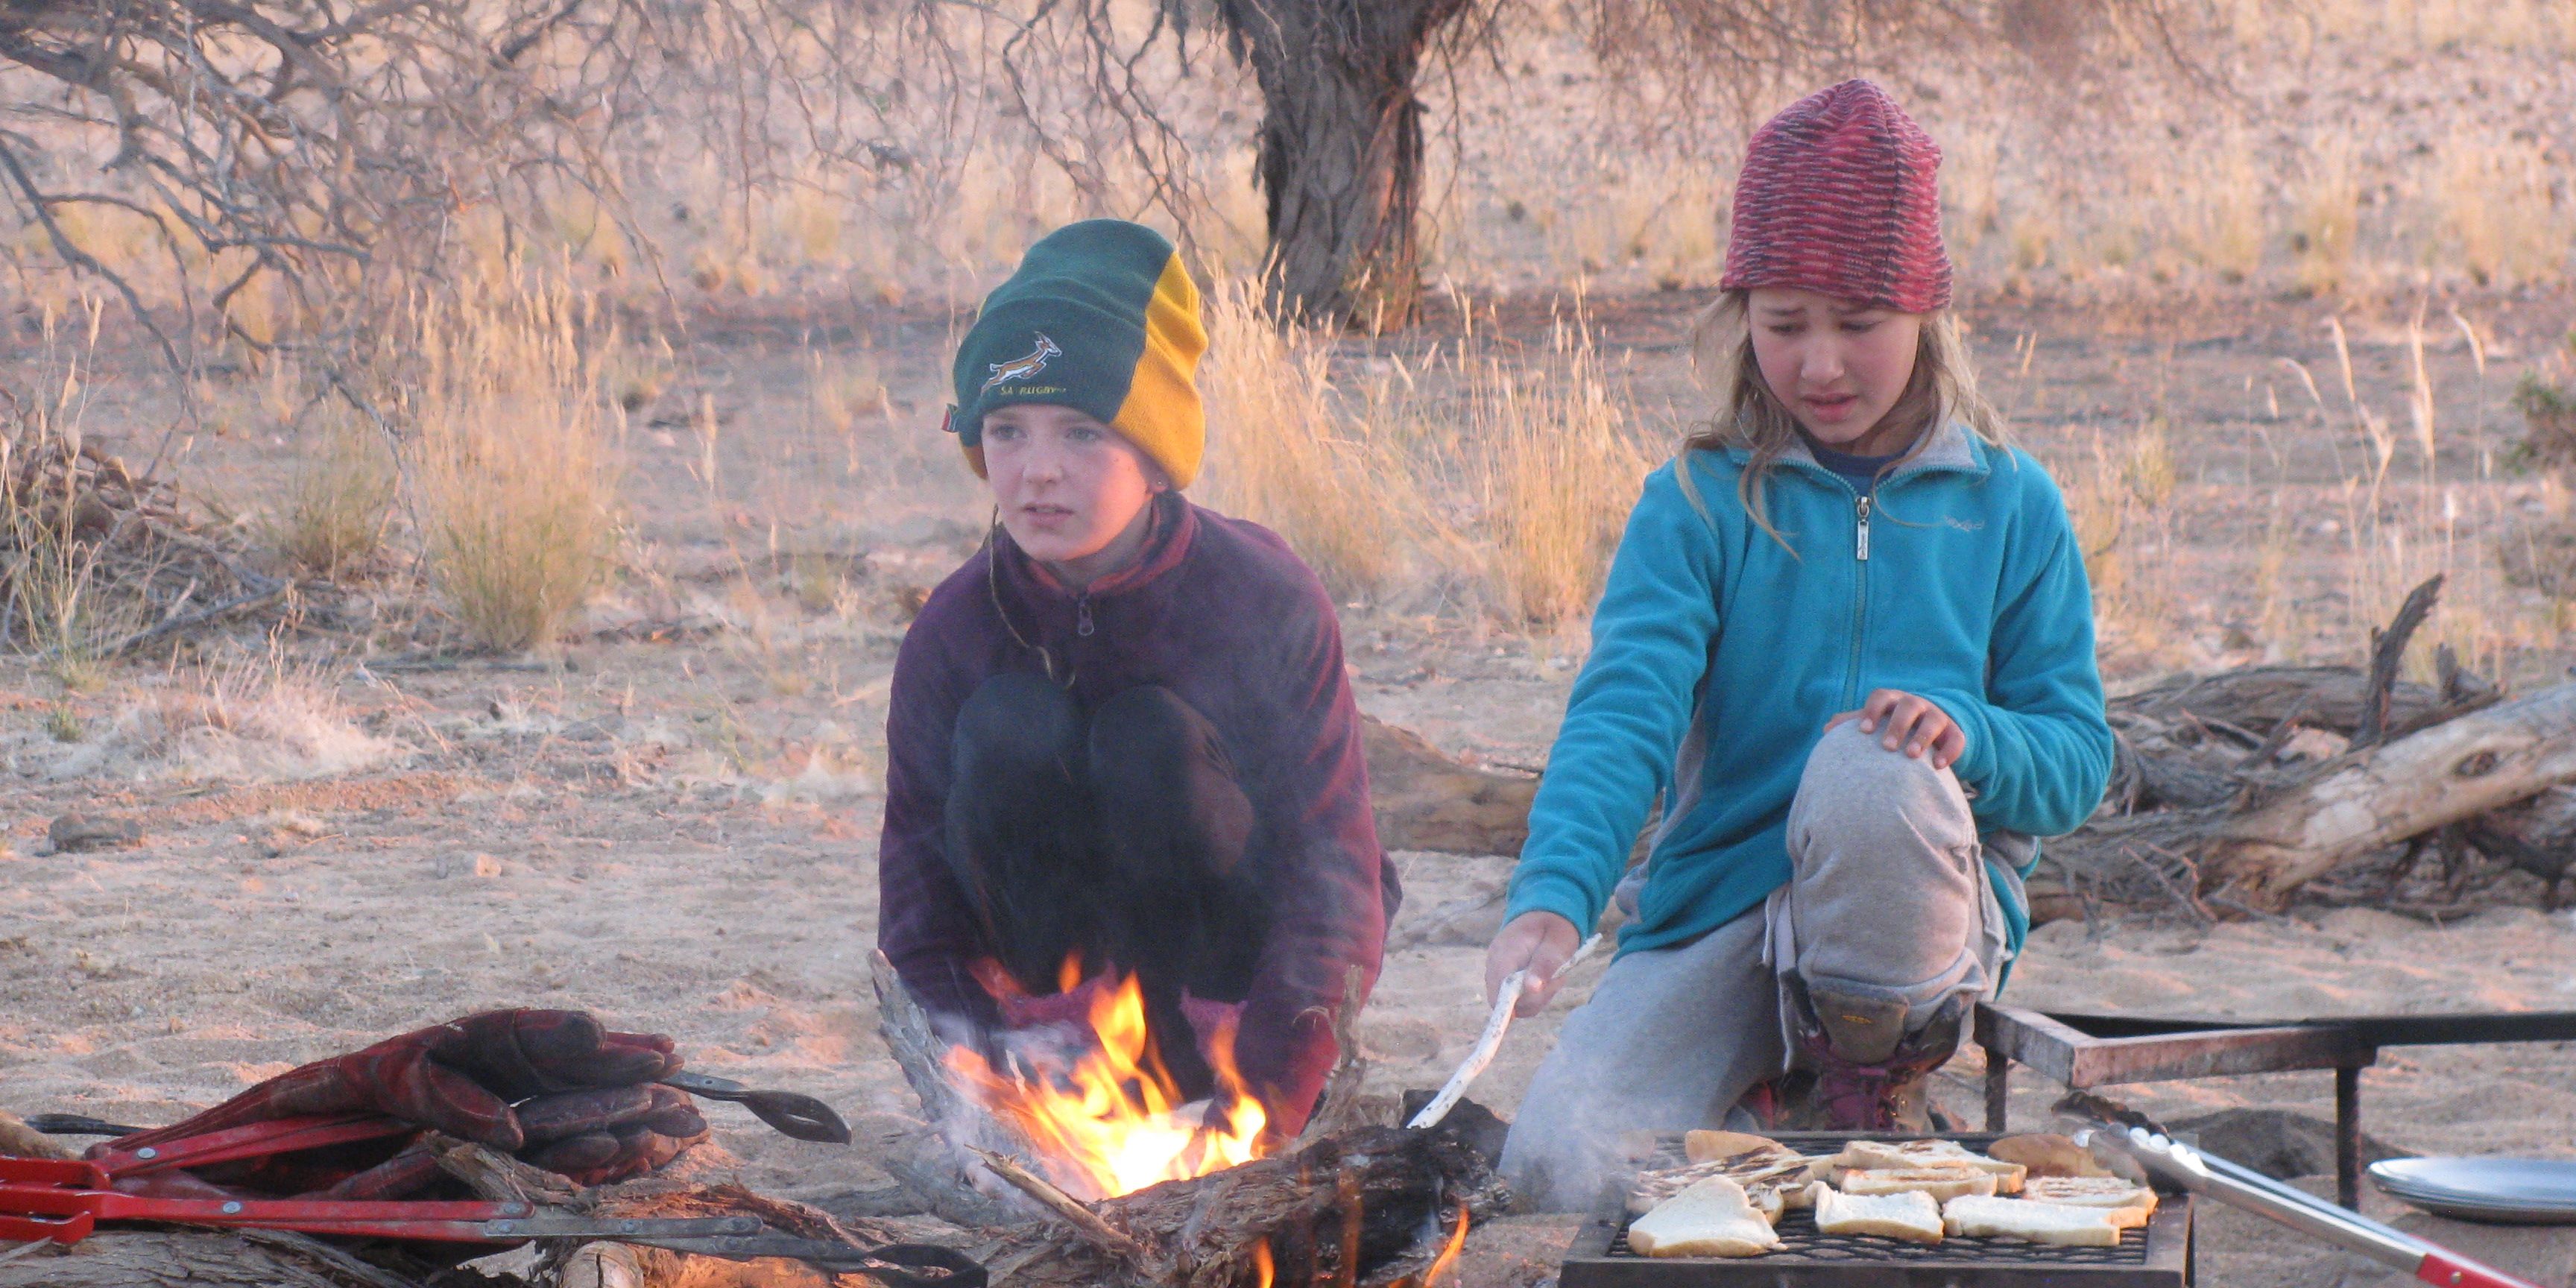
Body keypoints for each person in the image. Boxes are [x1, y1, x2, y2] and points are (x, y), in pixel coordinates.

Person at [1484, 80, 2113, 1207]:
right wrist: (1554, 896)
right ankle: (1769, 1103)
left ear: (1926, 312)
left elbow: (2075, 763)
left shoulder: (2012, 505)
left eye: (1858, 324)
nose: (1821, 364)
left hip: (1912, 932)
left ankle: (1874, 1082)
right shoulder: (1694, 502)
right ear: (1744, 321)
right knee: (1559, 1167)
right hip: (1720, 909)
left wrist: (1967, 736)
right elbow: (1624, 710)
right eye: (1785, 325)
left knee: (1871, 763)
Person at [876, 218, 1395, 1141]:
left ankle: (1205, 1052)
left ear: (1156, 458)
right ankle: (1065, 1059)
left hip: (1235, 1024)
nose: (1038, 471)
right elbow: (917, 903)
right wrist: (980, 1095)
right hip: (1053, 1055)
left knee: (1148, 737)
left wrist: (1262, 1108)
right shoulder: (953, 632)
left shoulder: (1263, 599)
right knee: (1008, 726)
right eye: (1007, 431)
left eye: (1083, 432)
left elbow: (1334, 878)